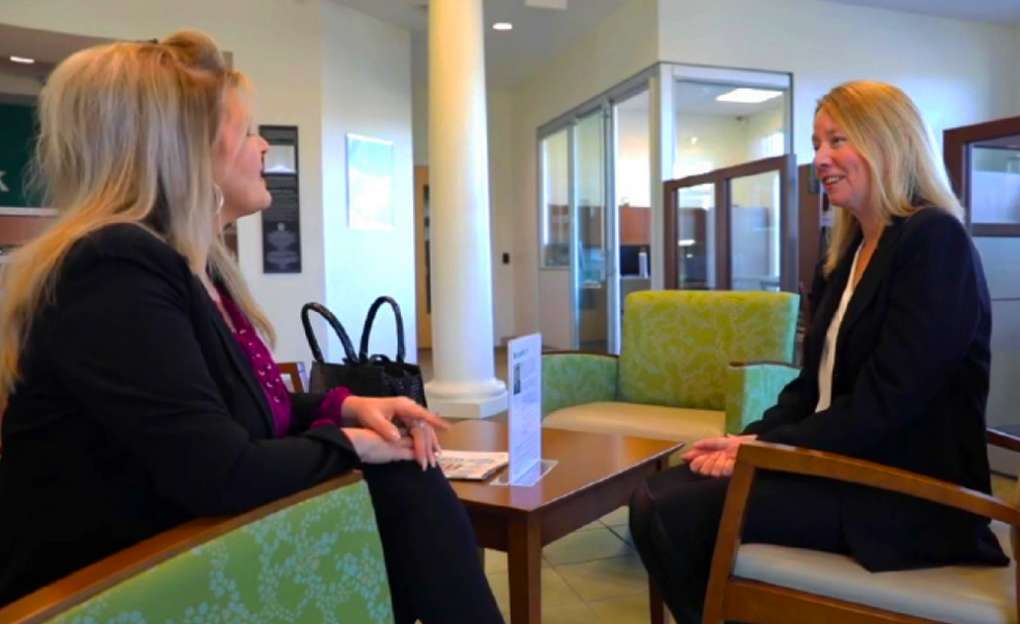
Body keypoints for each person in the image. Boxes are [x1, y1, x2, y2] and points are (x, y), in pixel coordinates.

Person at [0, 31, 503, 622]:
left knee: (411, 490)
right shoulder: (114, 270)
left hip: (184, 544)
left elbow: (238, 411)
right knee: (406, 487)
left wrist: (344, 408)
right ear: (186, 152)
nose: (265, 146)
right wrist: (354, 447)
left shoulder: (197, 265)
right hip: (107, 583)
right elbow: (221, 469)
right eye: (245, 132)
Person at [629, 80, 1008, 623]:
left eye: (837, 141)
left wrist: (769, 452)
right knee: (662, 487)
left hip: (906, 493)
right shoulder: (847, 250)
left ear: (888, 142)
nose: (821, 160)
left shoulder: (934, 241)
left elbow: (888, 403)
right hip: (843, 465)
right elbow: (811, 387)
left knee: (665, 509)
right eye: (816, 143)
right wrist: (751, 438)